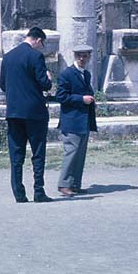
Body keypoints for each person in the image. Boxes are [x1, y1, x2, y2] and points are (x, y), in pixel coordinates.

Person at [0, 27, 52, 203]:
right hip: (34, 112)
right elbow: (45, 85)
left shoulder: (8, 57)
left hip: (14, 112)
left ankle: (19, 193)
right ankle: (39, 191)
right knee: (38, 153)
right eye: (41, 44)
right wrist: (49, 78)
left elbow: (3, 85)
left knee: (16, 154)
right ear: (37, 39)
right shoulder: (35, 57)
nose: (40, 47)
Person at [55, 44, 98, 196]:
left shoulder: (86, 74)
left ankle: (75, 184)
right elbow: (61, 97)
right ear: (74, 56)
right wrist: (82, 99)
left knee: (80, 155)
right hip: (71, 121)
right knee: (71, 153)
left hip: (83, 121)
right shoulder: (67, 74)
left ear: (89, 57)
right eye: (79, 55)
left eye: (85, 55)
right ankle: (63, 184)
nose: (82, 58)